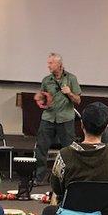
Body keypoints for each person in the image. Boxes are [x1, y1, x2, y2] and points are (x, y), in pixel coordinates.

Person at [34, 53, 81, 184]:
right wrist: (40, 99)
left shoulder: (71, 78)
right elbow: (43, 96)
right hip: (48, 117)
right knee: (41, 147)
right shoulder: (46, 80)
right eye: (48, 63)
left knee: (69, 150)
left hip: (65, 118)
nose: (48, 66)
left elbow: (78, 100)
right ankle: (39, 177)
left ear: (59, 64)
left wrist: (69, 93)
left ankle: (69, 178)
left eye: (51, 63)